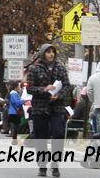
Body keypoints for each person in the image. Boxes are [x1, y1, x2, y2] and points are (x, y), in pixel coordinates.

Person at [26, 44, 71, 178]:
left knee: (58, 134)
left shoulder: (60, 67)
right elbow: (29, 89)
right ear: (43, 53)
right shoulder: (34, 69)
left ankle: (55, 163)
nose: (51, 54)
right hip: (40, 107)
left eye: (53, 52)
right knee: (41, 137)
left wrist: (59, 95)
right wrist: (44, 90)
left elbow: (67, 85)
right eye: (48, 52)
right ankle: (42, 166)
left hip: (57, 107)